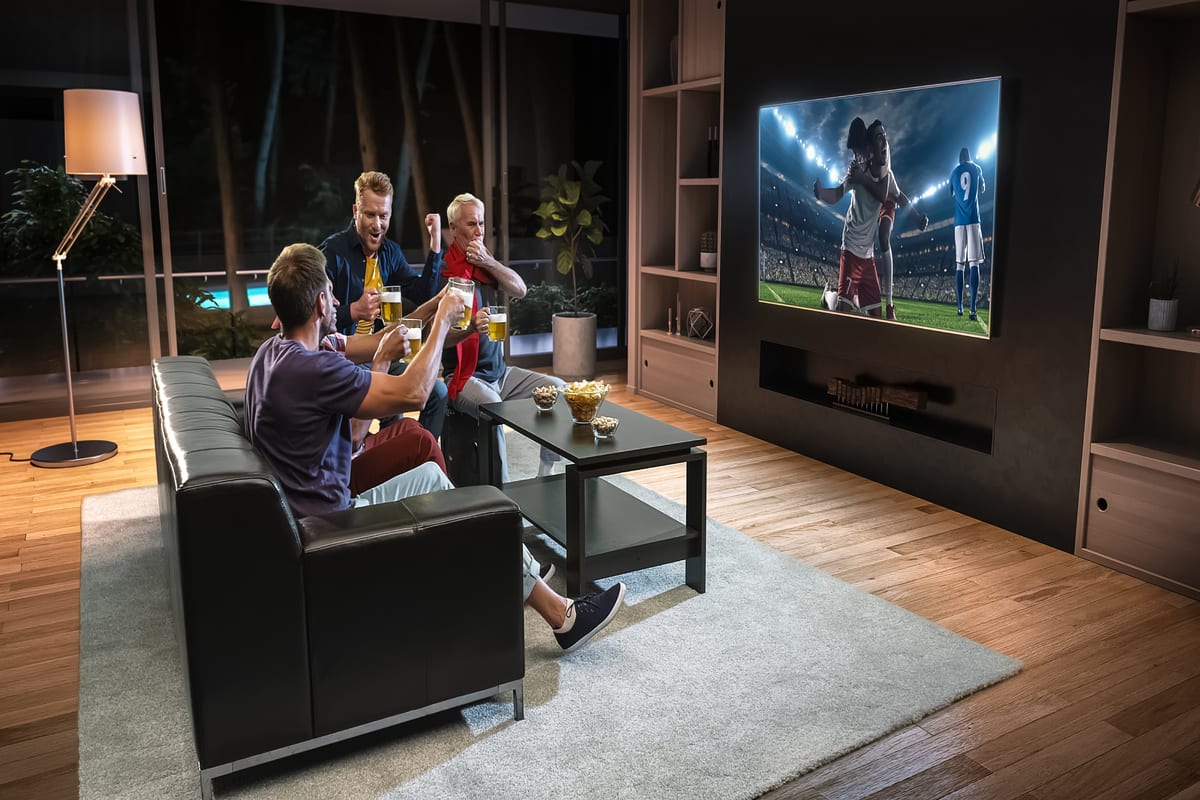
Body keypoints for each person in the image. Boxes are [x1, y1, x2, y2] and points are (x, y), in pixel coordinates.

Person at [246, 242, 623, 654]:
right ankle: (561, 615)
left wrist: (433, 304)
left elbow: (383, 341)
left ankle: (508, 575)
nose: (339, 300)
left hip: (307, 513)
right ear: (321, 303)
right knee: (470, 510)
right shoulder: (314, 369)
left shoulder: (277, 352)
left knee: (435, 479)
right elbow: (415, 393)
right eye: (333, 293)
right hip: (330, 526)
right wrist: (443, 322)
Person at [438, 192, 566, 482]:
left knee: (557, 389)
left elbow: (520, 289)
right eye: (471, 224)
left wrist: (489, 262)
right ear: (454, 229)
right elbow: (438, 339)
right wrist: (470, 328)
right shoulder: (444, 274)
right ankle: (504, 496)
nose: (479, 231)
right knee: (495, 407)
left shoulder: (485, 267)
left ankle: (546, 472)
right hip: (464, 377)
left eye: (482, 223)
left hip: (501, 373)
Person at [320, 171, 448, 438]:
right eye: (370, 215)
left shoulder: (390, 252)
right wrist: (353, 311)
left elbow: (423, 294)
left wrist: (435, 245)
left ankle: (414, 456)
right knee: (389, 400)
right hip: (345, 359)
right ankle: (383, 456)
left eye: (384, 216)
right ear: (356, 211)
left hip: (381, 352)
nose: (377, 224)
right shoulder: (332, 252)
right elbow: (317, 316)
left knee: (437, 392)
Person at [813, 117, 889, 317]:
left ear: (867, 146)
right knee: (842, 314)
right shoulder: (855, 170)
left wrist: (863, 179)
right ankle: (828, 296)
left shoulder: (883, 171)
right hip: (851, 248)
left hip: (868, 255)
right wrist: (822, 193)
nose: (855, 155)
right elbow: (838, 193)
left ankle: (850, 296)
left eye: (858, 150)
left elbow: (883, 195)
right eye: (853, 152)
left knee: (877, 318)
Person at [858, 120, 929, 321]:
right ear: (870, 147)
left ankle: (889, 303)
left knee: (883, 237)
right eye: (879, 136)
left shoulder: (887, 175)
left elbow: (899, 196)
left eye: (885, 135)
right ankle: (856, 295)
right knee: (863, 244)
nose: (885, 140)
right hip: (870, 208)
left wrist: (916, 217)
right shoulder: (862, 169)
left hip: (886, 204)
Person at [950, 147, 986, 321]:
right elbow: (983, 188)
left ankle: (959, 307)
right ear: (969, 157)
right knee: (974, 264)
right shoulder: (976, 168)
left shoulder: (954, 172)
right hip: (973, 219)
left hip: (959, 222)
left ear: (959, 160)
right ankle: (972, 309)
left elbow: (951, 193)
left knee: (959, 265)